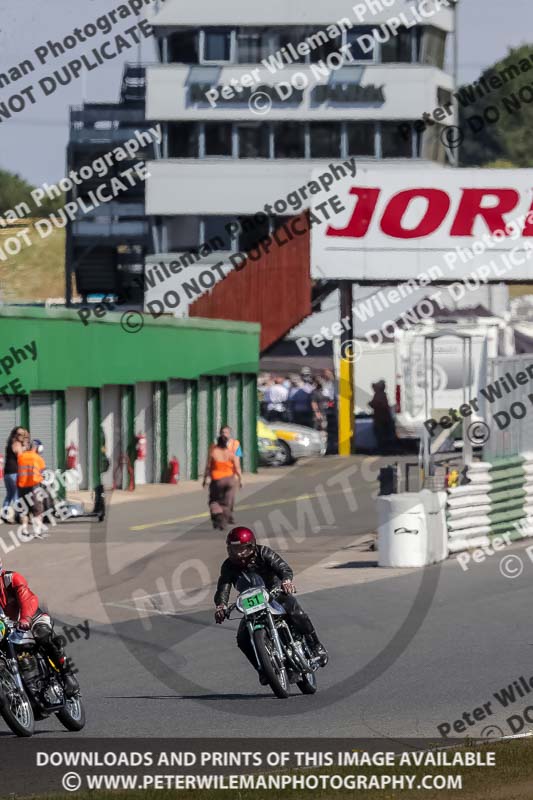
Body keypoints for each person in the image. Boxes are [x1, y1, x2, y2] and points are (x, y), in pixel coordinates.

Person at [214, 526, 328, 684]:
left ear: (251, 546)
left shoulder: (263, 553)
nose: (238, 553)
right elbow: (223, 587)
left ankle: (316, 646)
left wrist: (286, 581)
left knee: (297, 613)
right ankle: (262, 669)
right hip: (251, 601)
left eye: (242, 549)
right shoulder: (228, 566)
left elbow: (283, 568)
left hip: (274, 593)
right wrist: (221, 605)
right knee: (242, 638)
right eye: (234, 549)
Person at [0, 557, 79, 697]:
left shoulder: (11, 578)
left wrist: (25, 618)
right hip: (8, 627)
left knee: (43, 634)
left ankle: (67, 674)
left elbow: (27, 599)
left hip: (32, 617)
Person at [203, 434, 242, 530]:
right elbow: (237, 467)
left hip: (217, 480)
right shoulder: (230, 453)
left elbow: (208, 467)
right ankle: (223, 521)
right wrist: (240, 479)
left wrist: (205, 479)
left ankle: (217, 516)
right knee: (226, 502)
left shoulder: (213, 452)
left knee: (214, 500)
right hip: (230, 480)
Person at [17, 439, 48, 537]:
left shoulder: (21, 457)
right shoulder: (38, 458)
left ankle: (24, 530)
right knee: (38, 509)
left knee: (25, 510)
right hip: (33, 487)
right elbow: (44, 473)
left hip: (21, 487)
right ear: (38, 448)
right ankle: (37, 531)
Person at [2, 427, 25, 523]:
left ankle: (4, 514)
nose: (22, 436)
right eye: (20, 434)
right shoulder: (16, 444)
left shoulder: (9, 444)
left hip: (7, 472)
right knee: (16, 495)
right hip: (14, 472)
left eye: (23, 434)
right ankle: (18, 515)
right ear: (15, 435)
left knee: (9, 495)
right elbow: (20, 456)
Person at [369, 380, 396, 453]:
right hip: (383, 418)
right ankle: (383, 447)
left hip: (380, 419)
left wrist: (371, 404)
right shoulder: (382, 394)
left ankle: (382, 448)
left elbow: (377, 404)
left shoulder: (379, 395)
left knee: (380, 434)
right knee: (382, 434)